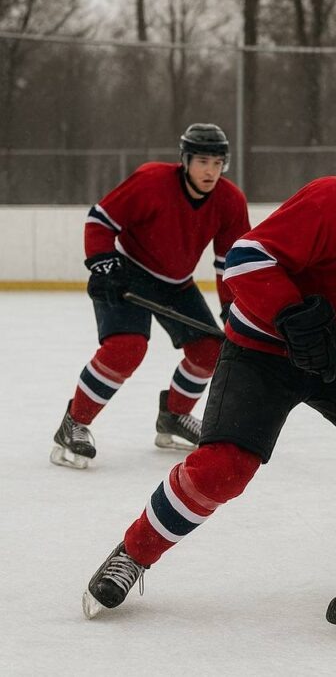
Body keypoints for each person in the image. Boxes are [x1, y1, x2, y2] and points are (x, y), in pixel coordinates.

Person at [81, 128, 336, 617]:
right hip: (261, 346)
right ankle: (133, 554)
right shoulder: (333, 202)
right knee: (224, 469)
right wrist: (289, 312)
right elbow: (246, 258)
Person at [51, 124, 250, 470]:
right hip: (127, 270)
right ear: (185, 160)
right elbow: (100, 220)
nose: (210, 171)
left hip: (176, 282)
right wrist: (103, 264)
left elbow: (229, 262)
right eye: (202, 161)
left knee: (209, 350)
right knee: (126, 347)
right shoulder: (151, 181)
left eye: (218, 163)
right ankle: (75, 423)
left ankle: (174, 415)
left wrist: (233, 308)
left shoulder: (230, 201)